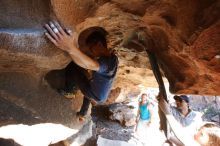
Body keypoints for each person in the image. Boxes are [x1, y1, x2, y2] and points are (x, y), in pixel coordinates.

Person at [44, 21, 118, 121]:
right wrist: (73, 48)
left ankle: (69, 91)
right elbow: (87, 63)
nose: (92, 52)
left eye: (91, 49)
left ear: (99, 44)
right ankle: (82, 114)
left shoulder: (106, 64)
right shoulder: (113, 58)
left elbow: (91, 64)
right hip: (99, 92)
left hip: (95, 94)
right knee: (86, 89)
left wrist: (70, 47)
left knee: (74, 69)